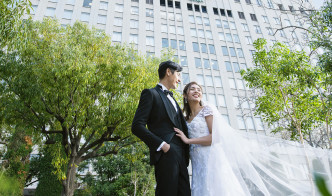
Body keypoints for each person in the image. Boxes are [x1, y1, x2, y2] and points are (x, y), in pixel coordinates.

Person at [175, 81, 332, 196]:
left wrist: (188, 141)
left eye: (199, 89)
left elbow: (215, 138)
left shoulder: (207, 110)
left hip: (212, 159)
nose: (196, 91)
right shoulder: (186, 118)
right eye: (192, 89)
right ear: (185, 95)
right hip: (197, 162)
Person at [131, 60, 191, 196]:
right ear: (168, 72)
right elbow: (137, 126)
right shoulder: (150, 94)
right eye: (178, 75)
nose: (180, 80)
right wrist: (162, 145)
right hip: (166, 152)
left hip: (182, 155)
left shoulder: (174, 100)